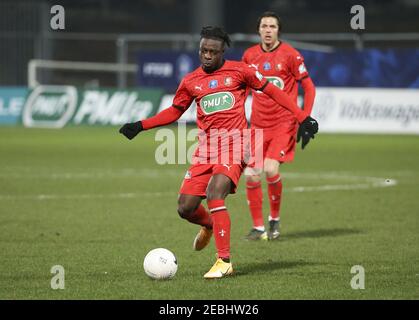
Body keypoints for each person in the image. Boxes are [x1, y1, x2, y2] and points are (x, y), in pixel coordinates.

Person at [119, 26, 318, 278]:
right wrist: (141, 125)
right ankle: (211, 224)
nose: (208, 55)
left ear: (223, 51)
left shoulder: (240, 71)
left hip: (237, 143)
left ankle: (224, 261)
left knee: (215, 193)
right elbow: (174, 111)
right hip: (206, 149)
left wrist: (303, 117)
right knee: (185, 207)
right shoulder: (191, 81)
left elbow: (273, 91)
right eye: (203, 50)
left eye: (213, 51)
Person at [242, 12, 316, 241]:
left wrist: (305, 119)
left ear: (278, 30)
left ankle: (274, 220)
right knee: (251, 174)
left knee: (271, 169)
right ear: (258, 30)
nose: (267, 30)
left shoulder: (291, 55)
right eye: (264, 26)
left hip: (283, 123)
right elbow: (243, 90)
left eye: (272, 26)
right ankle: (258, 228)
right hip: (257, 125)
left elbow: (309, 88)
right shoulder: (249, 56)